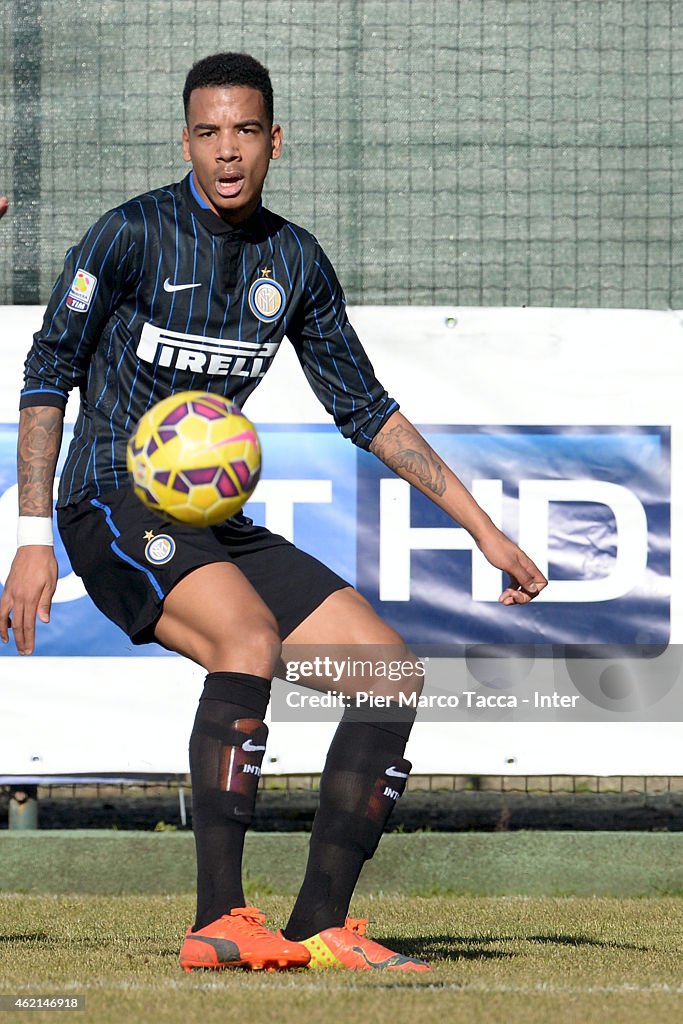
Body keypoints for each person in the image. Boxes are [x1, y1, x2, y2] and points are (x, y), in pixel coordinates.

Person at [0, 53, 547, 972]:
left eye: (244, 132)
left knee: (388, 677)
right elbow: (48, 374)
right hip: (107, 495)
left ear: (274, 141)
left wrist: (480, 527)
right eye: (208, 133)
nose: (226, 152)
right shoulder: (127, 235)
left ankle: (320, 927)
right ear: (186, 140)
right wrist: (30, 538)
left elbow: (365, 409)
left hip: (213, 521)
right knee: (245, 638)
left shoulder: (292, 260)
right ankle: (219, 918)